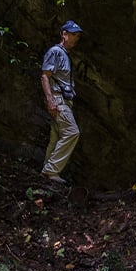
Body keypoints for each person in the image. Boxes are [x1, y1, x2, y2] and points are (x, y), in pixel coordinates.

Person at [40, 20, 83, 183]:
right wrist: (50, 100)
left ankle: (46, 174)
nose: (75, 38)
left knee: (57, 136)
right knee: (72, 132)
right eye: (73, 34)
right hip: (57, 100)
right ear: (63, 33)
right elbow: (45, 76)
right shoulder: (55, 52)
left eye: (77, 36)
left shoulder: (65, 54)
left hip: (64, 100)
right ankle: (51, 170)